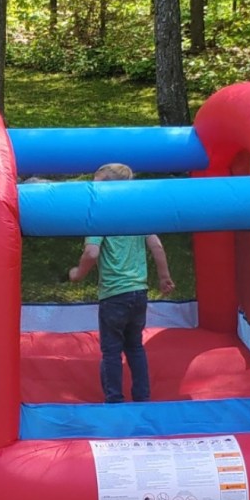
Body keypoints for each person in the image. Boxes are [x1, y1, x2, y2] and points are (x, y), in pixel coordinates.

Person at [68, 163, 175, 403]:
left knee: (112, 350)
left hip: (114, 295)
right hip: (139, 293)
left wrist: (77, 274)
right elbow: (157, 246)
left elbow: (92, 253)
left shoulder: (99, 218)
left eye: (96, 186)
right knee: (135, 346)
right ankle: (142, 396)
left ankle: (114, 399)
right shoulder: (137, 215)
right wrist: (164, 276)